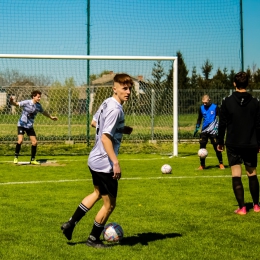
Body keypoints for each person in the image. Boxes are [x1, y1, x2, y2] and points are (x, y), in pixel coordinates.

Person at [61, 73, 133, 248]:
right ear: (114, 88)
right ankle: (93, 238)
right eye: (124, 88)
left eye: (130, 88)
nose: (128, 91)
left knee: (97, 194)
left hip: (94, 159)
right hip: (105, 163)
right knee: (109, 205)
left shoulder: (107, 102)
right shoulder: (116, 108)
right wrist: (115, 163)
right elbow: (105, 138)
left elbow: (95, 123)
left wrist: (121, 129)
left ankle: (70, 224)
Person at [217, 71, 260, 215]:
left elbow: (222, 124)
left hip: (233, 143)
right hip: (251, 143)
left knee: (236, 174)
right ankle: (256, 206)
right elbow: (259, 125)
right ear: (247, 84)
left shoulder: (227, 101)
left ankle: (242, 208)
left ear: (234, 84)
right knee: (252, 173)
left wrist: (220, 141)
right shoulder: (255, 102)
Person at [10, 90, 58, 165]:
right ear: (33, 96)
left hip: (29, 126)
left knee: (35, 142)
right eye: (38, 97)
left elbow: (44, 112)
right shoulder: (27, 102)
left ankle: (32, 159)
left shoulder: (38, 106)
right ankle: (16, 157)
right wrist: (12, 102)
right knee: (20, 141)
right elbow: (16, 104)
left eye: (40, 97)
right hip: (22, 124)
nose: (39, 98)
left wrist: (51, 117)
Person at [193, 94, 225, 170]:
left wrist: (218, 128)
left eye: (206, 102)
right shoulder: (201, 108)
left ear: (209, 100)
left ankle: (221, 163)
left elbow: (221, 117)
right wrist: (197, 126)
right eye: (203, 102)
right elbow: (199, 118)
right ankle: (202, 165)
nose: (204, 104)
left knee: (216, 147)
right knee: (202, 148)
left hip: (213, 130)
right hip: (204, 130)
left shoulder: (215, 107)